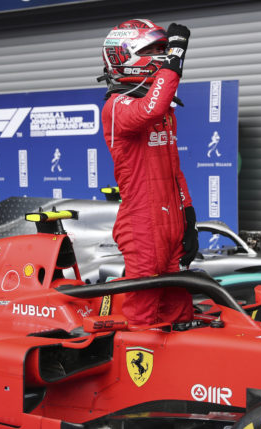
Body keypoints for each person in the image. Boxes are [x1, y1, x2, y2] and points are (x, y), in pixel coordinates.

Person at [99, 19, 198, 325]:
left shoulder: (165, 111)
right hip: (142, 224)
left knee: (180, 309)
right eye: (154, 49)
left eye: (164, 49)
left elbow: (173, 170)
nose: (162, 55)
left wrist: (189, 216)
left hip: (171, 220)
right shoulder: (116, 107)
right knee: (143, 314)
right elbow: (149, 110)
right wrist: (176, 57)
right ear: (124, 56)